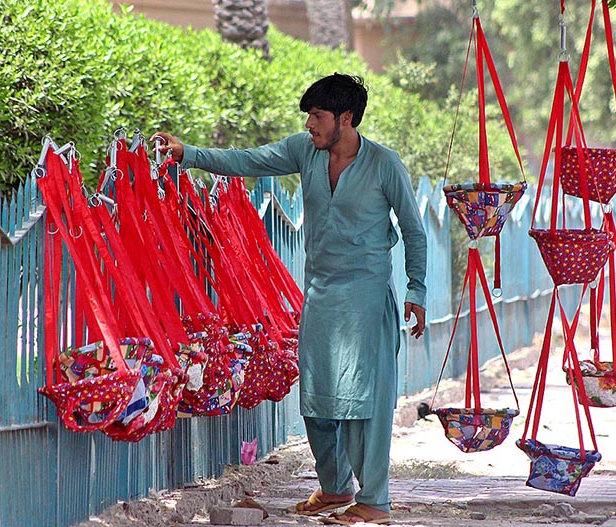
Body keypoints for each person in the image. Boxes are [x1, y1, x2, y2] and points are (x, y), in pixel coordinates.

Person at [152, 73, 427, 525]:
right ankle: (336, 488)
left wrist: (416, 290)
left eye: (317, 117)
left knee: (364, 404)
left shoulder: (384, 164)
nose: (310, 125)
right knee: (317, 400)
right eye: (308, 117)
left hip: (368, 299)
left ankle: (374, 501)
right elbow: (249, 160)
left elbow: (415, 233)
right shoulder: (306, 151)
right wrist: (190, 154)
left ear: (345, 117)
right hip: (320, 297)